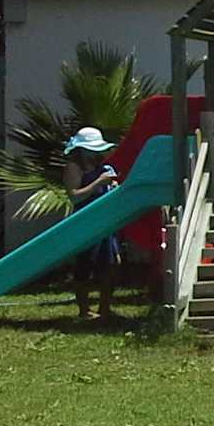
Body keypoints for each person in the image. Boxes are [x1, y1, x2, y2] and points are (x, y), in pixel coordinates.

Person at [62, 127, 121, 320]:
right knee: (84, 266)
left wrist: (113, 186)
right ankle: (84, 310)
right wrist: (98, 183)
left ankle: (105, 308)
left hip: (105, 221)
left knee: (111, 265)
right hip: (84, 222)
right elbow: (74, 196)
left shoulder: (103, 167)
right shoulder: (74, 168)